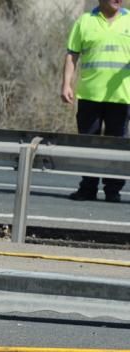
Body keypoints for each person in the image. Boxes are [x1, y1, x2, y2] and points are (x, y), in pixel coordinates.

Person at [62, 0, 129, 203]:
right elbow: (72, 54)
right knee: (88, 143)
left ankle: (113, 190)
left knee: (116, 145)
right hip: (90, 95)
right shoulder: (84, 21)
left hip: (122, 96)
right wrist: (66, 84)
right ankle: (88, 187)